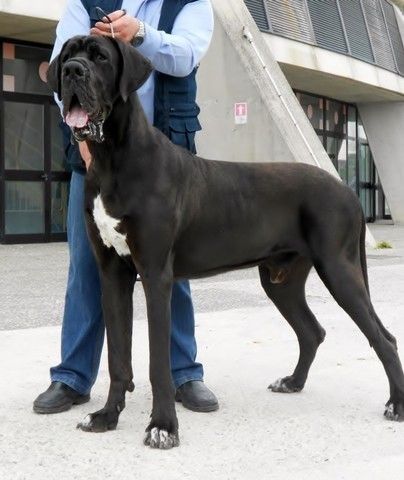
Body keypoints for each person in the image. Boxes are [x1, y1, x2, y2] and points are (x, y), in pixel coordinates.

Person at [33, 0, 218, 415]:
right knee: (86, 267)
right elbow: (63, 68)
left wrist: (141, 34)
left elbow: (186, 56)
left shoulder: (189, 4)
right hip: (95, 159)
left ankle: (183, 373)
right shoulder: (84, 3)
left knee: (169, 271)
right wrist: (86, 146)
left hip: (162, 163)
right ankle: (73, 376)